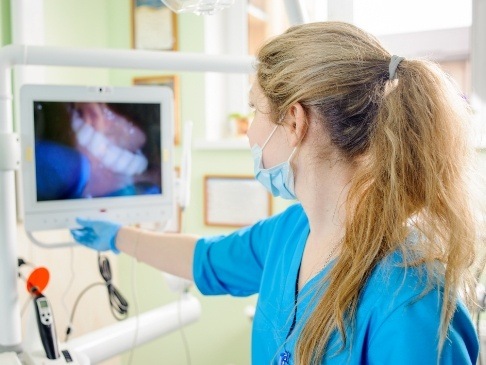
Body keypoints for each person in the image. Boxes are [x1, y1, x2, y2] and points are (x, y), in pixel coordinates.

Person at [71, 22, 481, 364]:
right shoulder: (292, 233)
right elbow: (206, 259)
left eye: (254, 108)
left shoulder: (411, 302)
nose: (249, 129)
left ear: (294, 121)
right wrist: (116, 237)